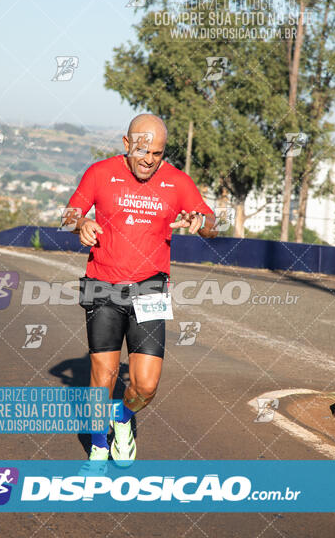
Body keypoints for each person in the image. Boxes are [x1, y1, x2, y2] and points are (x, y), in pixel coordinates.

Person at [63, 113, 217, 468]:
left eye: (158, 153)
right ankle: (99, 446)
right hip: (102, 283)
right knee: (103, 374)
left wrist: (202, 222)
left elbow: (213, 221)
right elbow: (69, 213)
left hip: (150, 289)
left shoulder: (177, 181)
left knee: (145, 386)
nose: (149, 159)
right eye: (143, 151)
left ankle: (121, 419)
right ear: (126, 144)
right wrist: (82, 222)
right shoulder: (100, 173)